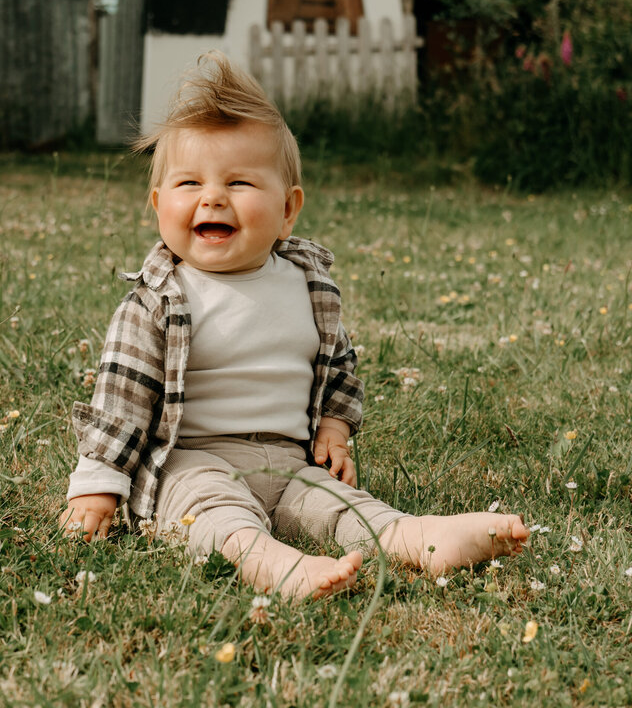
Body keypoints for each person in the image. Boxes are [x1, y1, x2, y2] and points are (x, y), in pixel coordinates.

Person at [60, 52, 528, 599]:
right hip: (192, 462)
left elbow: (337, 367)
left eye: (238, 182)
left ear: (288, 210)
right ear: (159, 204)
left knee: (342, 507)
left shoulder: (310, 286)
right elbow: (120, 404)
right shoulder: (157, 301)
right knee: (212, 516)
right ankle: (271, 563)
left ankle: (416, 536)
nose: (212, 196)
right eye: (190, 183)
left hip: (289, 461)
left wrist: (335, 427)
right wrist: (97, 488)